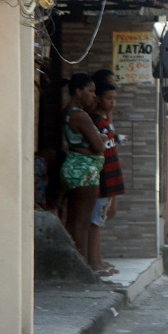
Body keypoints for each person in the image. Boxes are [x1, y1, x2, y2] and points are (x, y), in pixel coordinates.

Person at [61, 73, 106, 266]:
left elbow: (77, 143)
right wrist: (102, 138)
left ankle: (71, 264)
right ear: (78, 92)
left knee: (72, 221)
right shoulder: (81, 115)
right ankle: (82, 268)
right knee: (82, 223)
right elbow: (99, 146)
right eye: (91, 91)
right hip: (85, 172)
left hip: (73, 168)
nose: (94, 96)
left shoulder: (67, 112)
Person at [89, 81, 124, 276]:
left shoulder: (106, 120)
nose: (113, 102)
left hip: (111, 174)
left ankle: (98, 259)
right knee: (95, 221)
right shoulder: (94, 121)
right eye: (109, 98)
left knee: (104, 216)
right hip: (102, 176)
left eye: (115, 99)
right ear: (99, 98)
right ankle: (94, 262)